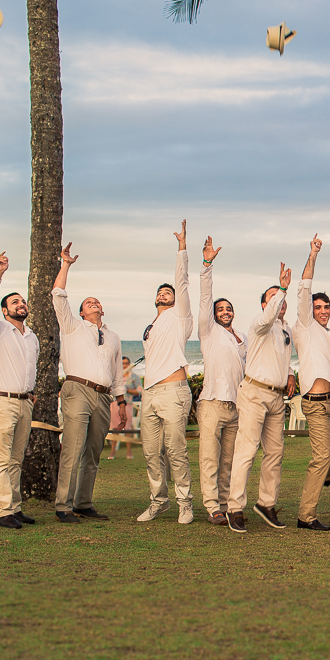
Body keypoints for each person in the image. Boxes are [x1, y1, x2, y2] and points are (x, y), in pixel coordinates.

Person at [52, 242, 127, 523]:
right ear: (81, 312)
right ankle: (63, 506)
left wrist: (120, 402)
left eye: (97, 302)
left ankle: (83, 502)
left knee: (94, 451)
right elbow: (58, 295)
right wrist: (66, 265)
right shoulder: (71, 326)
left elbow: (117, 373)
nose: (93, 303)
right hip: (77, 390)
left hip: (103, 396)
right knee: (72, 448)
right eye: (88, 302)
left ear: (102, 311)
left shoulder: (114, 337)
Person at [226, 263, 297, 533]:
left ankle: (267, 503)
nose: (280, 301)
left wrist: (290, 373)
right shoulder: (260, 323)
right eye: (274, 297)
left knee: (275, 453)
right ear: (265, 304)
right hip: (254, 393)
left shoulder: (285, 329)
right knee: (246, 452)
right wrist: (282, 287)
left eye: (281, 298)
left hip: (277, 399)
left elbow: (281, 358)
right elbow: (269, 317)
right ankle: (235, 507)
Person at [137, 221, 195, 524]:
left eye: (168, 292)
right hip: (150, 393)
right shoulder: (151, 326)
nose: (165, 293)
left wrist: (182, 248)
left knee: (175, 450)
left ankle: (185, 502)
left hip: (173, 391)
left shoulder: (180, 316)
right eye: (160, 292)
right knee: (150, 453)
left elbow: (182, 282)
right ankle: (159, 501)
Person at [293, 235, 330, 532]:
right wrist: (313, 254)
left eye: (326, 307)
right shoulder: (304, 325)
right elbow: (304, 287)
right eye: (319, 307)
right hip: (314, 404)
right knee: (321, 456)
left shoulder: (326, 337)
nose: (323, 310)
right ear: (310, 310)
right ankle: (306, 516)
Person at [0, 252, 40, 529]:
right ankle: (3, 511)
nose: (21, 304)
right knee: (1, 459)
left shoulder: (32, 336)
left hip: (23, 403)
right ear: (5, 311)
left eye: (23, 301)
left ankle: (15, 508)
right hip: (1, 403)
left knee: (17, 460)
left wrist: (30, 392)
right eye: (15, 302)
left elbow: (30, 367)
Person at [195, 236, 246, 525]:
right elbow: (204, 298)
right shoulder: (209, 332)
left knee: (229, 461)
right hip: (212, 404)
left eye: (228, 309)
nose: (225, 312)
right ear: (214, 315)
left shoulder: (242, 337)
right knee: (209, 459)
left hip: (237, 407)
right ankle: (212, 505)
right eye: (220, 309)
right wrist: (207, 265)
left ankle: (226, 504)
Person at [108, 356, 141, 460]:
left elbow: (140, 391)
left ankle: (129, 451)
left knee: (128, 427)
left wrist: (128, 390)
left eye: (126, 363)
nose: (124, 365)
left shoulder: (134, 377)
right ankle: (112, 452)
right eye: (122, 364)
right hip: (115, 404)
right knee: (115, 428)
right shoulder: (115, 377)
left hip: (128, 404)